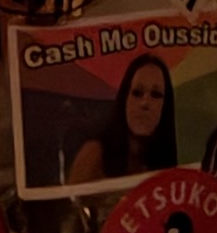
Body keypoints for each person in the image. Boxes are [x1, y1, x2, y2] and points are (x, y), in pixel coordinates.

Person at [68, 54, 176, 186]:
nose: (145, 103)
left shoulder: (171, 157)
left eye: (156, 94)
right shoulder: (95, 153)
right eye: (137, 93)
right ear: (125, 99)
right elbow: (73, 197)